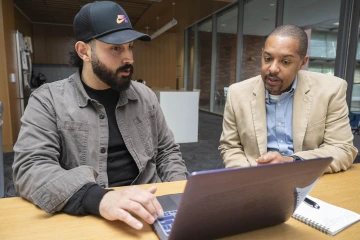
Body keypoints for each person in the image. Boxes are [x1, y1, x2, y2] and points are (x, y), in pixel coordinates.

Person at [13, 1, 188, 230]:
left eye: (130, 47)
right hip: (88, 212)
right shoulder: (48, 100)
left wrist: (179, 195)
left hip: (152, 208)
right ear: (84, 51)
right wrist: (100, 198)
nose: (129, 59)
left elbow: (167, 151)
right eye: (116, 48)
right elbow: (31, 168)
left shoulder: (145, 96)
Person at [218, 24, 357, 173]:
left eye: (285, 62)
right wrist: (248, 177)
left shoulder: (331, 90)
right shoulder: (237, 93)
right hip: (255, 178)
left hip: (307, 177)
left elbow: (342, 148)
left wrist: (292, 162)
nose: (272, 68)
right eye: (268, 58)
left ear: (302, 62)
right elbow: (230, 146)